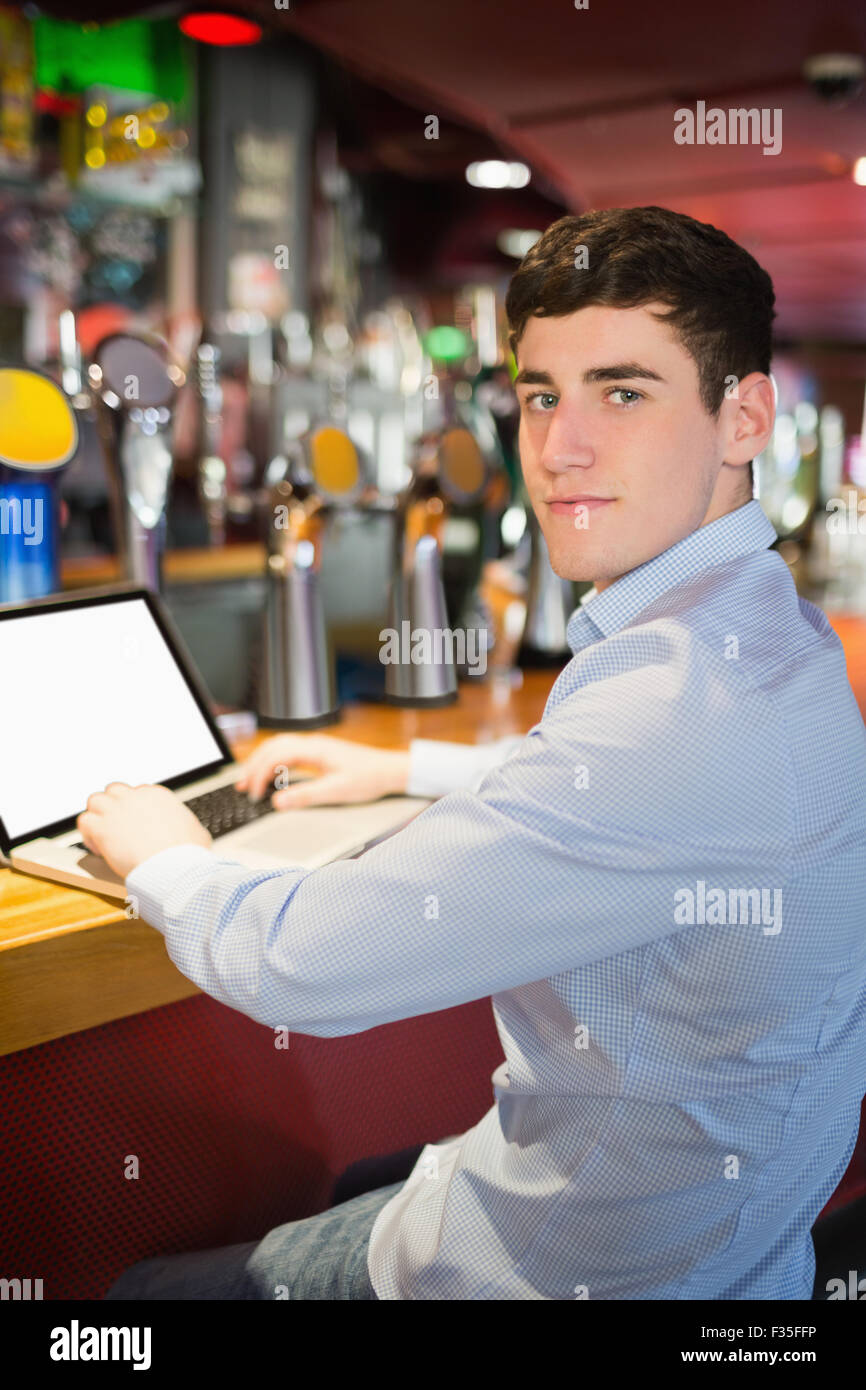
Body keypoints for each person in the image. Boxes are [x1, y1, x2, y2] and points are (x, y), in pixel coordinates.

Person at [91, 205, 866, 1300]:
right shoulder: (764, 630)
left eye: (623, 392)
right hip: (734, 1251)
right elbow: (642, 804)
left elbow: (309, 963)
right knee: (368, 1172)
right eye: (541, 395)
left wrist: (167, 853)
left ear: (742, 417)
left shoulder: (675, 705)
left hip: (575, 1270)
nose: (559, 448)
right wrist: (410, 772)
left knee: (133, 1300)